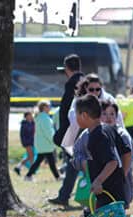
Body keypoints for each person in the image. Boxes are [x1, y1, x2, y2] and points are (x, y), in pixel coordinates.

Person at [49, 55, 86, 206]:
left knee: (74, 162)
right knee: (73, 163)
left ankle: (65, 195)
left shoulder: (73, 83)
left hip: (73, 130)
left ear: (67, 67)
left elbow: (69, 109)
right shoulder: (84, 80)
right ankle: (64, 195)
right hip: (76, 129)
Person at [25, 101, 61, 182]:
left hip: (42, 143)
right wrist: (54, 140)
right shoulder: (45, 118)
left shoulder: (40, 117)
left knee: (39, 161)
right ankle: (57, 177)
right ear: (44, 107)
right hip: (46, 143)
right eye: (49, 106)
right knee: (50, 161)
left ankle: (28, 175)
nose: (50, 108)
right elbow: (48, 131)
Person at [15, 111, 35, 177]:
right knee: (31, 156)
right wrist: (24, 143)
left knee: (30, 156)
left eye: (31, 115)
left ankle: (18, 167)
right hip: (27, 142)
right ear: (26, 117)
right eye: (29, 115)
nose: (31, 116)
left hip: (32, 142)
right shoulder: (24, 124)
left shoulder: (32, 123)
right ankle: (31, 172)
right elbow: (22, 135)